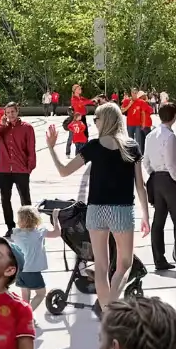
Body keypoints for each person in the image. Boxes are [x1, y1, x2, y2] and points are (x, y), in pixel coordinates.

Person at [48, 105, 140, 305]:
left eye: (96, 118)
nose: (94, 122)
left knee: (101, 266)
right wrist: (147, 217)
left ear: (104, 120)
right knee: (125, 264)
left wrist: (51, 148)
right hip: (122, 210)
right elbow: (139, 186)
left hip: (96, 210)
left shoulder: (93, 146)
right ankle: (111, 307)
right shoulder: (131, 146)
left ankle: (107, 311)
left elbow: (64, 171)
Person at [144, 104, 176, 275]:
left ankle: (159, 259)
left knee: (159, 220)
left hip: (156, 178)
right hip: (170, 179)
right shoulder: (170, 136)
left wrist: (153, 175)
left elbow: (146, 161)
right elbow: (172, 162)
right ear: (174, 117)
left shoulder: (150, 135)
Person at [0, 105, 37, 231]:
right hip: (4, 170)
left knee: (25, 199)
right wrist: (0, 126)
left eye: (13, 111)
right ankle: (10, 227)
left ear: (17, 112)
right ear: (5, 114)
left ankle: (28, 226)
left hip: (21, 169)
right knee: (5, 199)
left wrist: (29, 167)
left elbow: (31, 149)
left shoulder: (27, 128)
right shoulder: (1, 128)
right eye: (8, 112)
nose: (11, 114)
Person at [12, 207, 50, 303]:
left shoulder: (17, 234)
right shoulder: (39, 233)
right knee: (41, 293)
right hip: (31, 270)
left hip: (20, 269)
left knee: (25, 295)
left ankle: (24, 314)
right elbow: (57, 233)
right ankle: (27, 315)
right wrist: (55, 218)